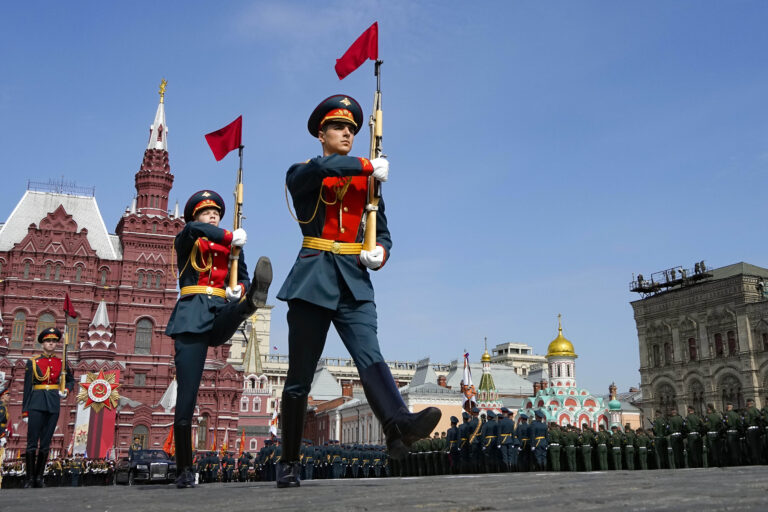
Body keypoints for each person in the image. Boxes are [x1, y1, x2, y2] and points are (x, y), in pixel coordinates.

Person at [276, 94, 441, 488]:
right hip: (313, 279)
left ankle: (397, 423)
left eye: (351, 129)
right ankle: (289, 459)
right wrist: (367, 165)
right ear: (321, 134)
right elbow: (320, 170)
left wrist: (379, 252)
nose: (347, 133)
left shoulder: (368, 185)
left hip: (354, 281)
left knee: (371, 355)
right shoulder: (303, 172)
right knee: (299, 377)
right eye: (338, 127)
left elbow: (381, 231)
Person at [166, 190, 272, 488]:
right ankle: (185, 468)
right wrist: (228, 235)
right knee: (187, 398)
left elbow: (245, 276)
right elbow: (191, 229)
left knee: (244, 301)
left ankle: (249, 304)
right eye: (206, 213)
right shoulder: (188, 239)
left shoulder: (232, 249)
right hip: (191, 317)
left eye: (216, 212)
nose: (212, 215)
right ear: (196, 217)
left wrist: (240, 288)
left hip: (221, 313)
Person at [22, 327, 75, 488]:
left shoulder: (62, 363)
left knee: (46, 443)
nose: (51, 344)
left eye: (53, 341)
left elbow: (71, 381)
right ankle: (30, 479)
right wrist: (25, 410)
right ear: (42, 343)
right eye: (48, 341)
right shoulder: (33, 362)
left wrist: (65, 390)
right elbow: (26, 388)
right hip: (36, 403)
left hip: (53, 404)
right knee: (32, 443)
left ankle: (39, 478)